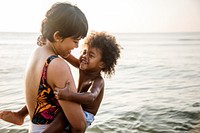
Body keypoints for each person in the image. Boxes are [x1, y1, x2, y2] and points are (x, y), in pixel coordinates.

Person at [0, 31, 122, 132]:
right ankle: (21, 115)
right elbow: (65, 55)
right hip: (76, 105)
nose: (85, 56)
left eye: (91, 55)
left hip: (85, 115)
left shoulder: (98, 80)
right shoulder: (82, 65)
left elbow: (91, 97)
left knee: (63, 116)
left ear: (102, 63)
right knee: (47, 94)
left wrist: (68, 95)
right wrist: (48, 42)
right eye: (84, 52)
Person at [0, 2, 88, 133]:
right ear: (57, 36)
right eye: (75, 41)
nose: (76, 46)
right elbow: (80, 124)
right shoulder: (58, 65)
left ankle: (20, 115)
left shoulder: (37, 53)